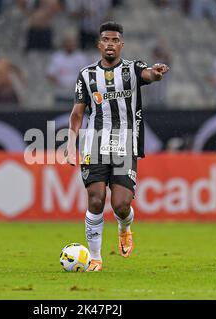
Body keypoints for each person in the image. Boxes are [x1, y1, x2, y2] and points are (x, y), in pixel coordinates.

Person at [63, 21, 170, 272]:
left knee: (121, 205)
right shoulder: (87, 75)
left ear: (121, 45)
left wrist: (157, 72)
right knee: (96, 199)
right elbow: (77, 114)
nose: (110, 44)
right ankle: (96, 258)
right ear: (99, 44)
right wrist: (70, 145)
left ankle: (124, 227)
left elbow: (150, 75)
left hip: (125, 142)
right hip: (94, 142)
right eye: (105, 40)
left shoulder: (133, 69)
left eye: (114, 40)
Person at [46, 33, 89, 107]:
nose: (69, 44)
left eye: (71, 42)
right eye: (67, 42)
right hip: (61, 92)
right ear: (64, 43)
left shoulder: (81, 57)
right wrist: (60, 83)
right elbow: (50, 74)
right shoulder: (57, 57)